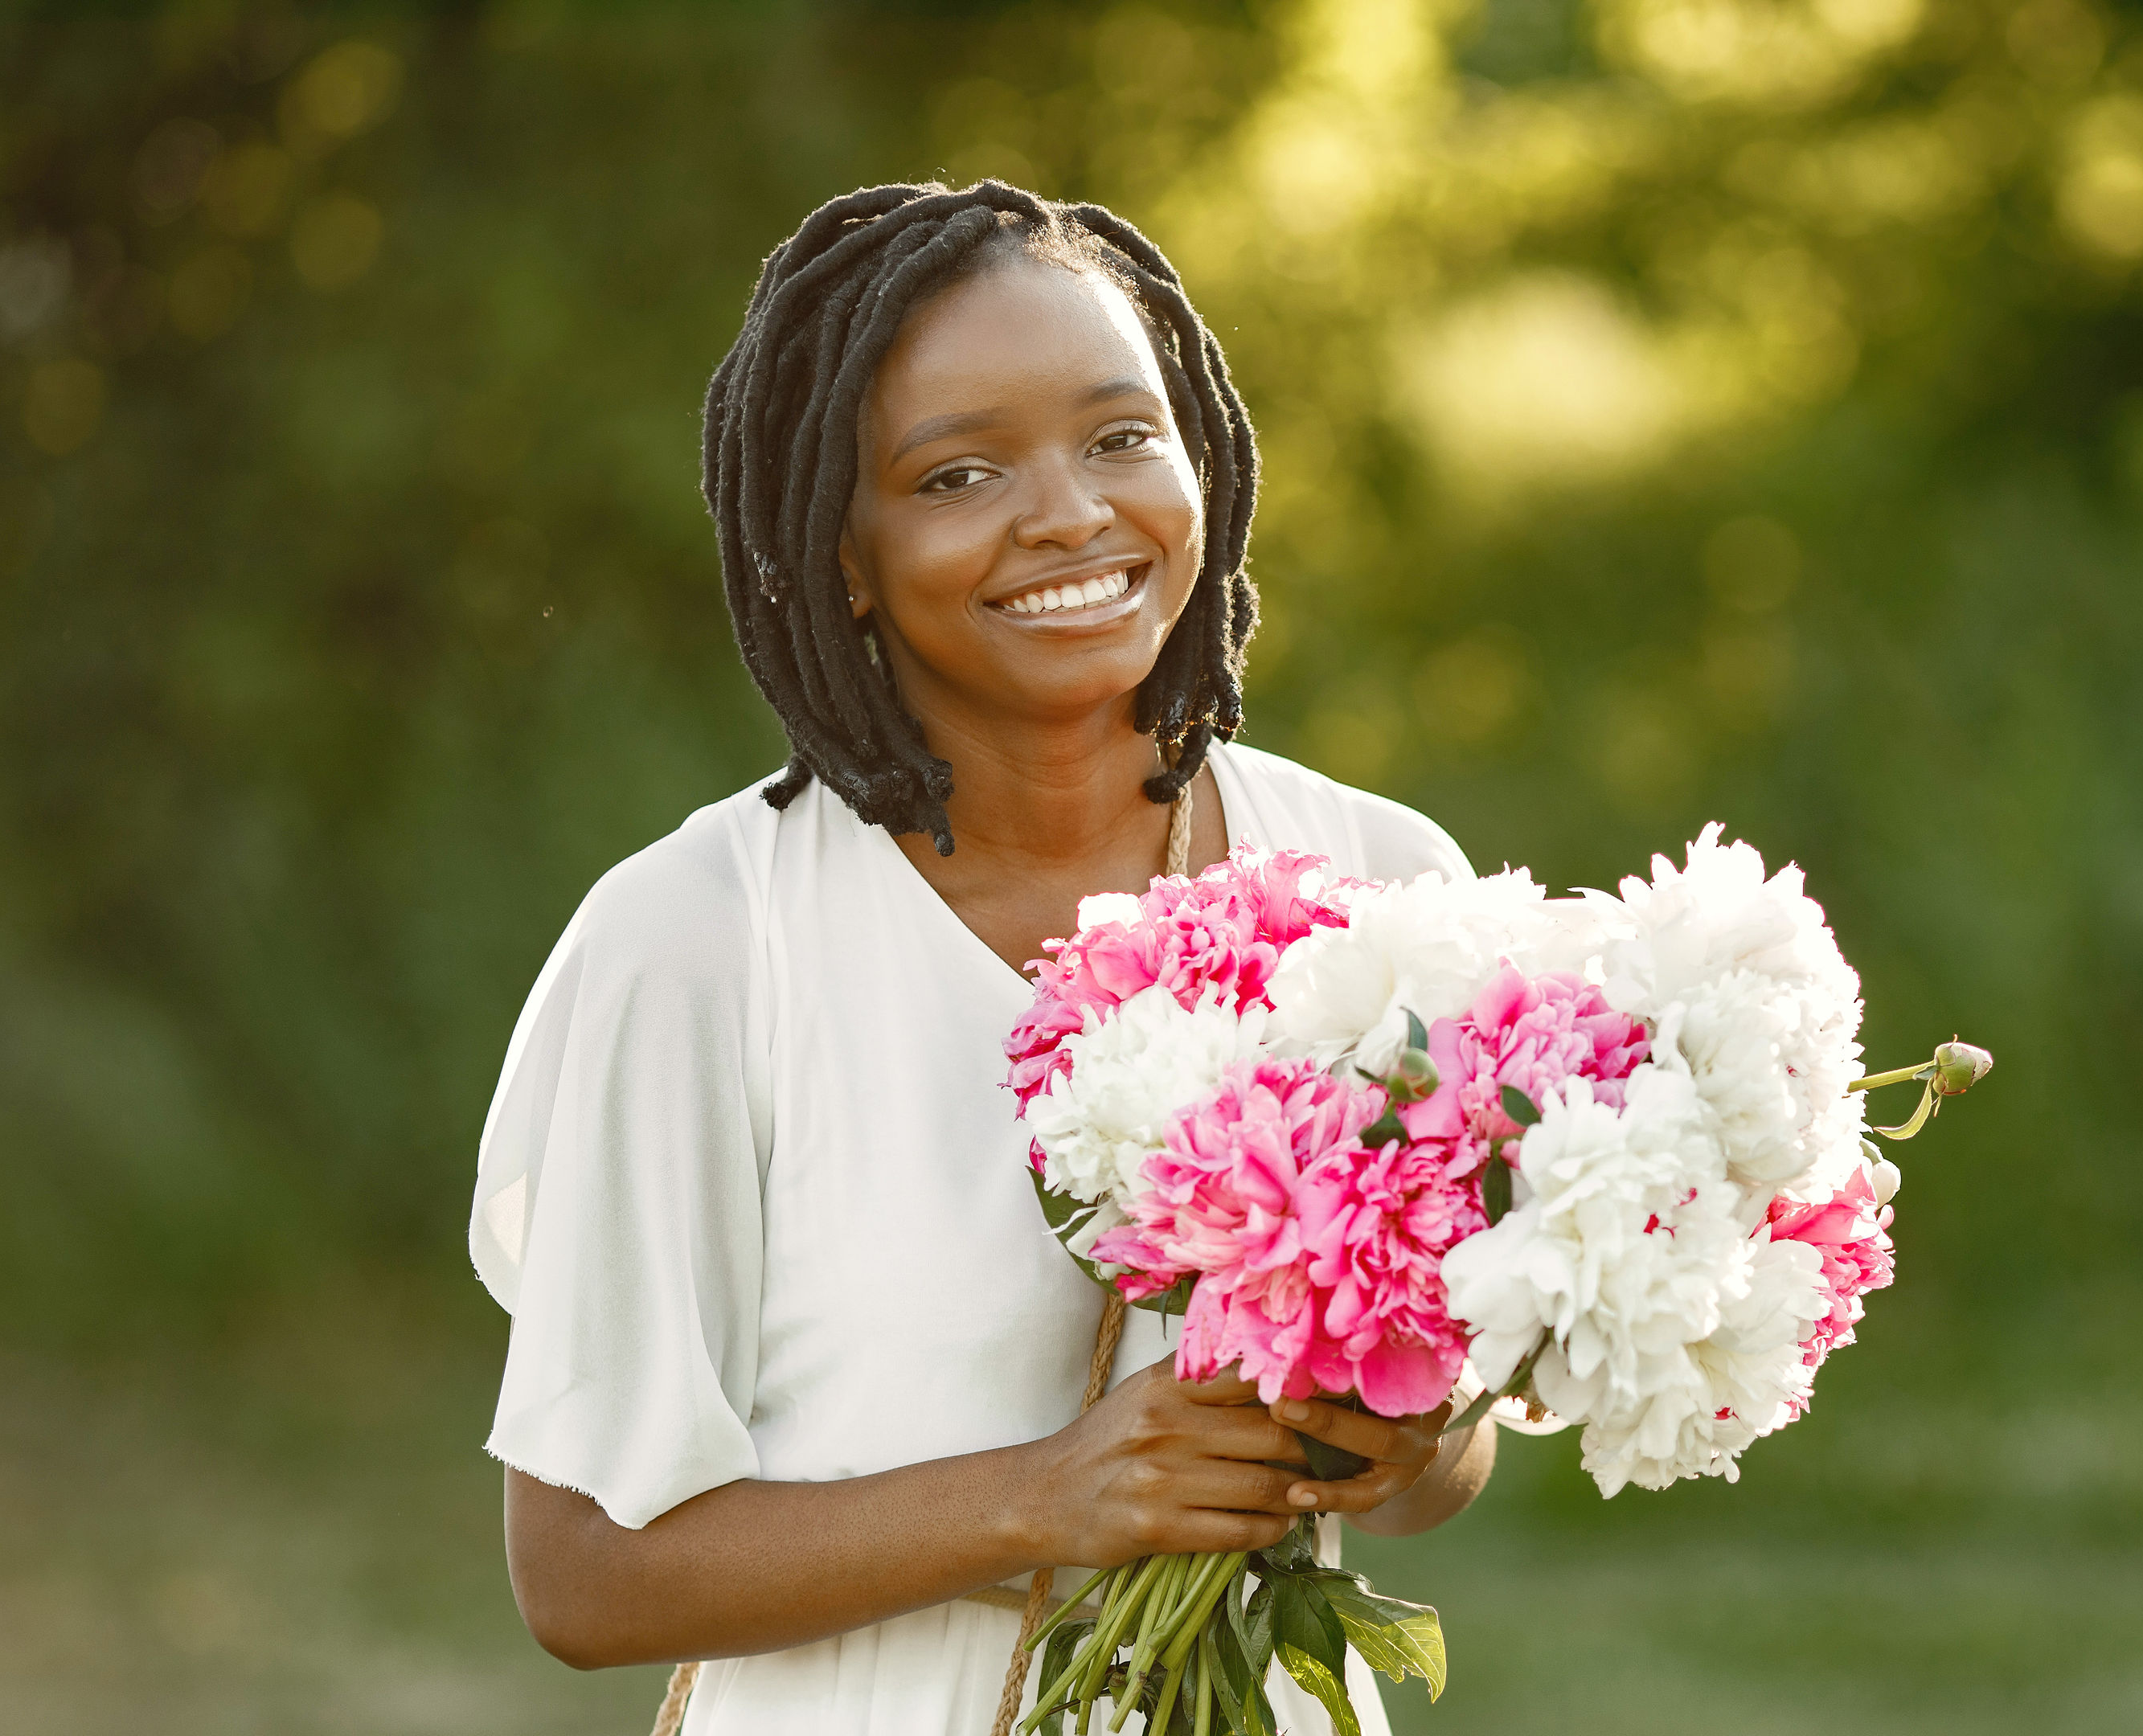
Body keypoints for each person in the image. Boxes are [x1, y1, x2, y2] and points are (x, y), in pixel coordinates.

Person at [465, 182, 1496, 1735]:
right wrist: (1041, 1501)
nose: (1071, 514)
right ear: (845, 554)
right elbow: (583, 1578)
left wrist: (1399, 1439)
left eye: (1119, 437)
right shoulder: (699, 941)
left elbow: (1438, 1479)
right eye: (957, 473)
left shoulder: (1389, 888)